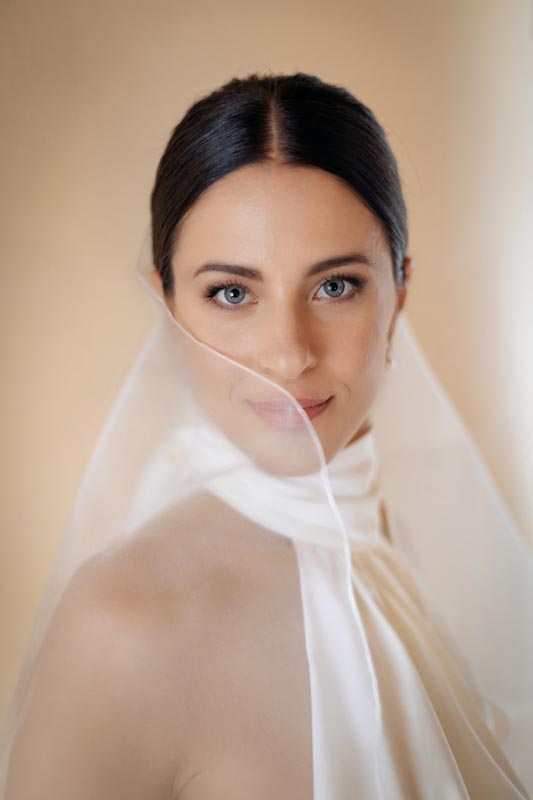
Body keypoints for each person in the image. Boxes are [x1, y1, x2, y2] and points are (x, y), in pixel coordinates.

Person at [1, 72, 532, 799]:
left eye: (335, 286)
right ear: (166, 306)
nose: (288, 355)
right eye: (231, 293)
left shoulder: (398, 550)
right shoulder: (121, 624)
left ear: (399, 294)